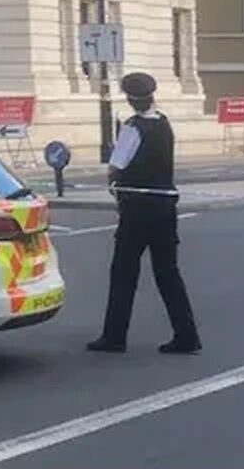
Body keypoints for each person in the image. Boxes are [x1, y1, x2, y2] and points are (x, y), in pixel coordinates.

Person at [87, 72, 201, 355]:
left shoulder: (132, 127)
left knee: (123, 273)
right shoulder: (164, 124)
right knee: (168, 273)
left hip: (137, 209)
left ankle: (114, 336)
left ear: (129, 99)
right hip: (165, 207)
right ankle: (187, 335)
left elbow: (117, 165)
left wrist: (114, 186)